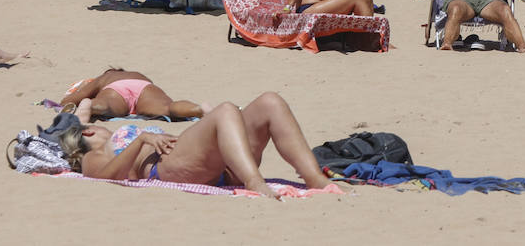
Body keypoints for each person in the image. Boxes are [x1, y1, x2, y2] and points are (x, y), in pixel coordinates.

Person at [58, 91, 333, 199]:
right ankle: (253, 181)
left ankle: (314, 178)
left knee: (269, 102)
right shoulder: (90, 155)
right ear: (90, 132)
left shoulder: (100, 138)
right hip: (169, 166)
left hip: (208, 163)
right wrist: (141, 138)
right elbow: (107, 177)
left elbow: (80, 113)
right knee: (225, 110)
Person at [60, 69, 207, 121]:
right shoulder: (138, 74)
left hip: (115, 90)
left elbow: (69, 100)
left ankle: (90, 106)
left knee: (104, 106)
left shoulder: (106, 77)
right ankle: (199, 109)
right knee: (168, 108)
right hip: (145, 87)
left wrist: (85, 90)